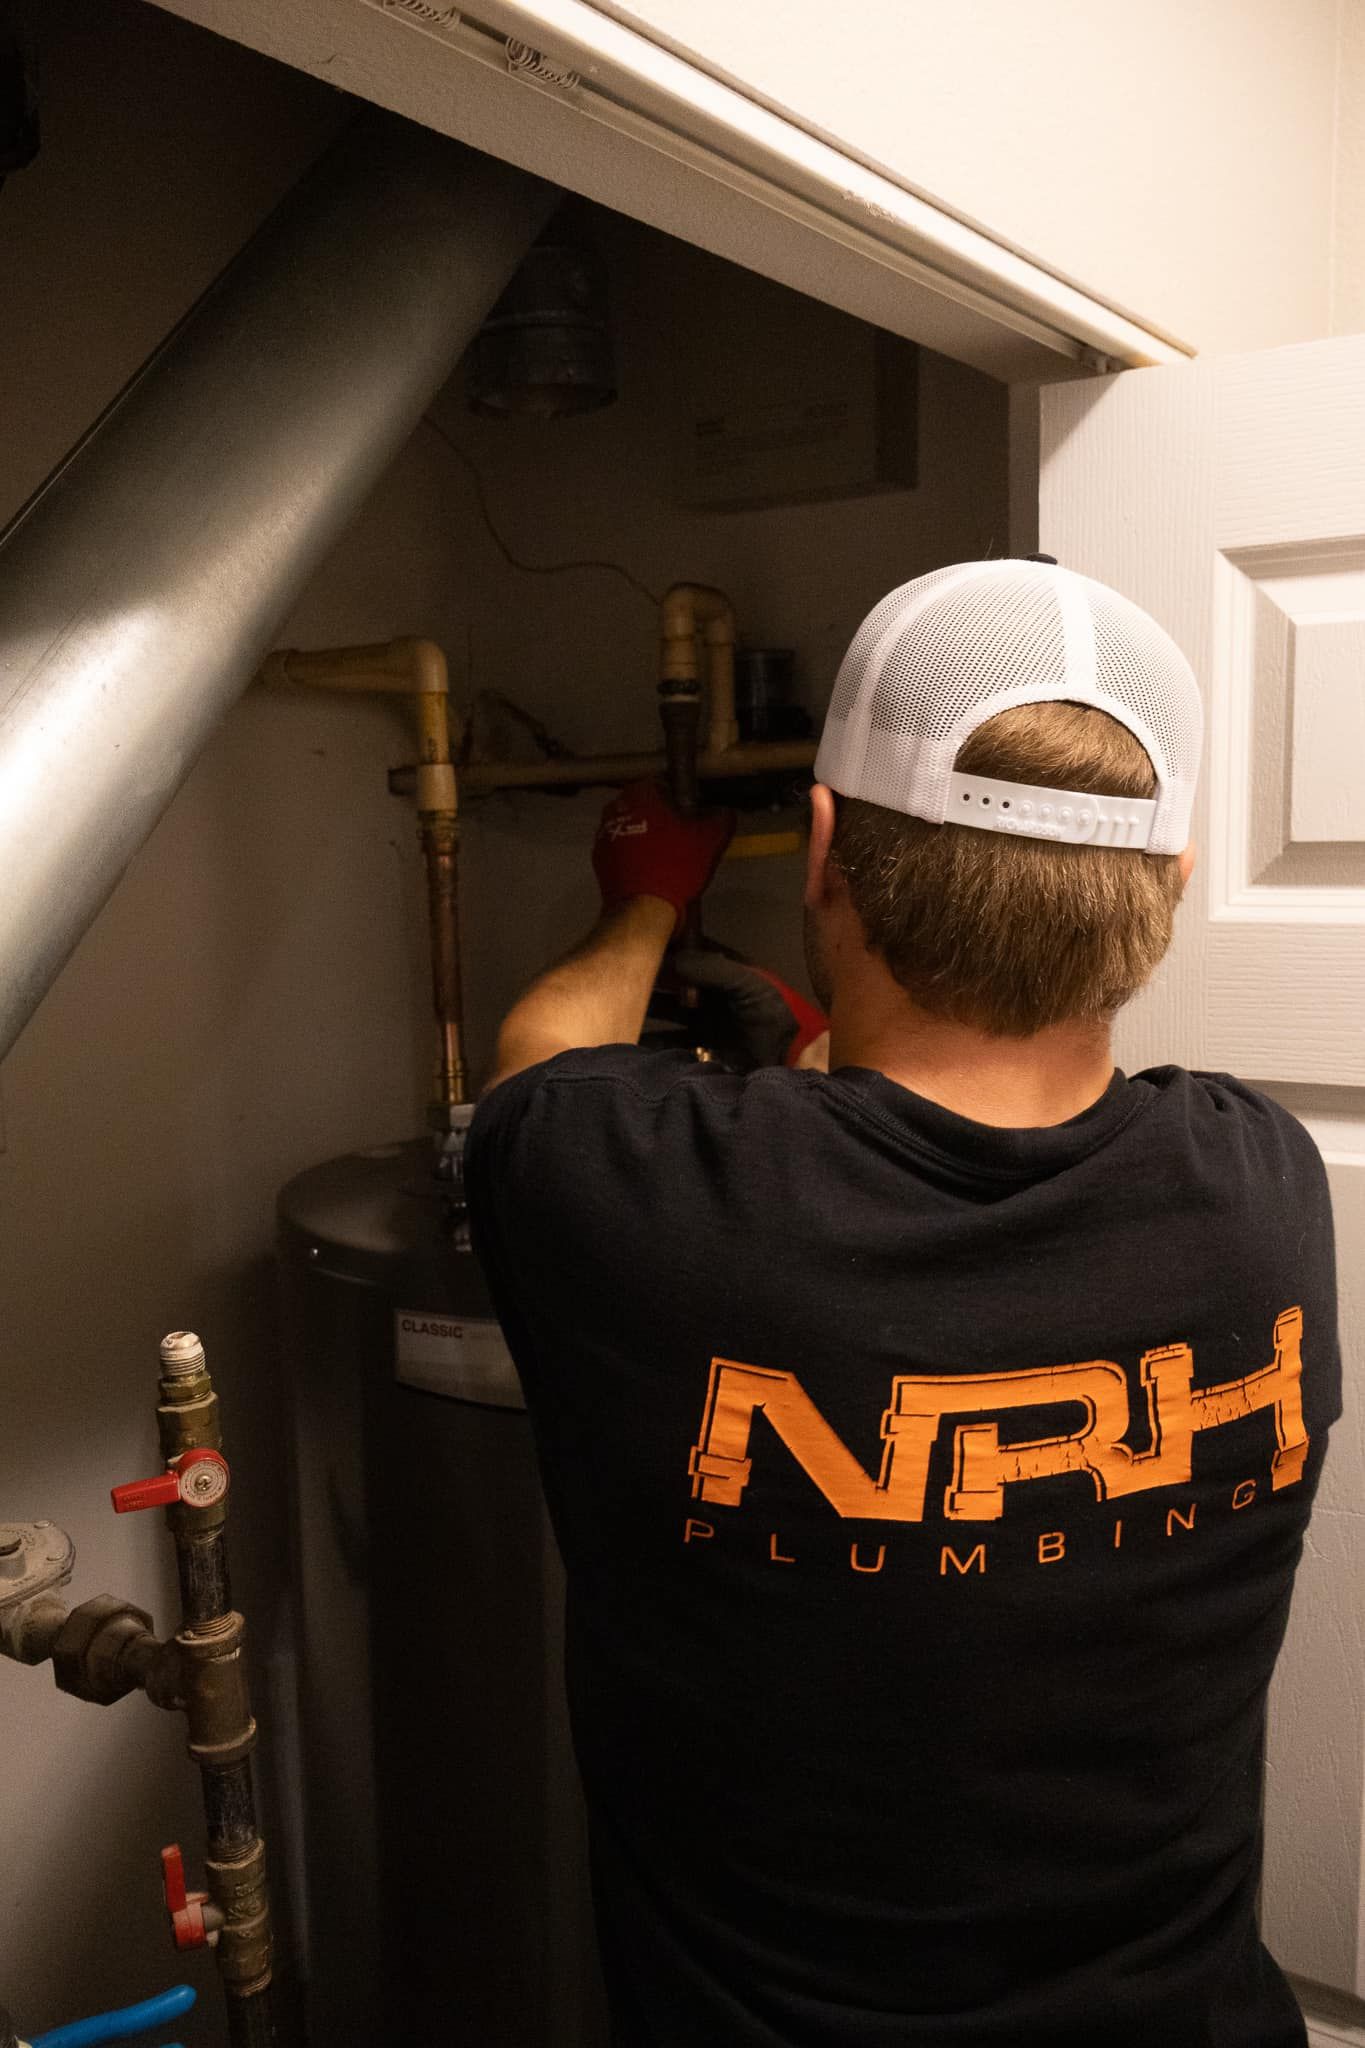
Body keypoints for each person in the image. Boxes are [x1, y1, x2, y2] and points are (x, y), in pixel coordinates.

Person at [463, 558, 1340, 2048]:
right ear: (1172, 885)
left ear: (822, 850)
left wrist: (644, 906)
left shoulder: (629, 1199)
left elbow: (540, 1056)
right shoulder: (1259, 1184)